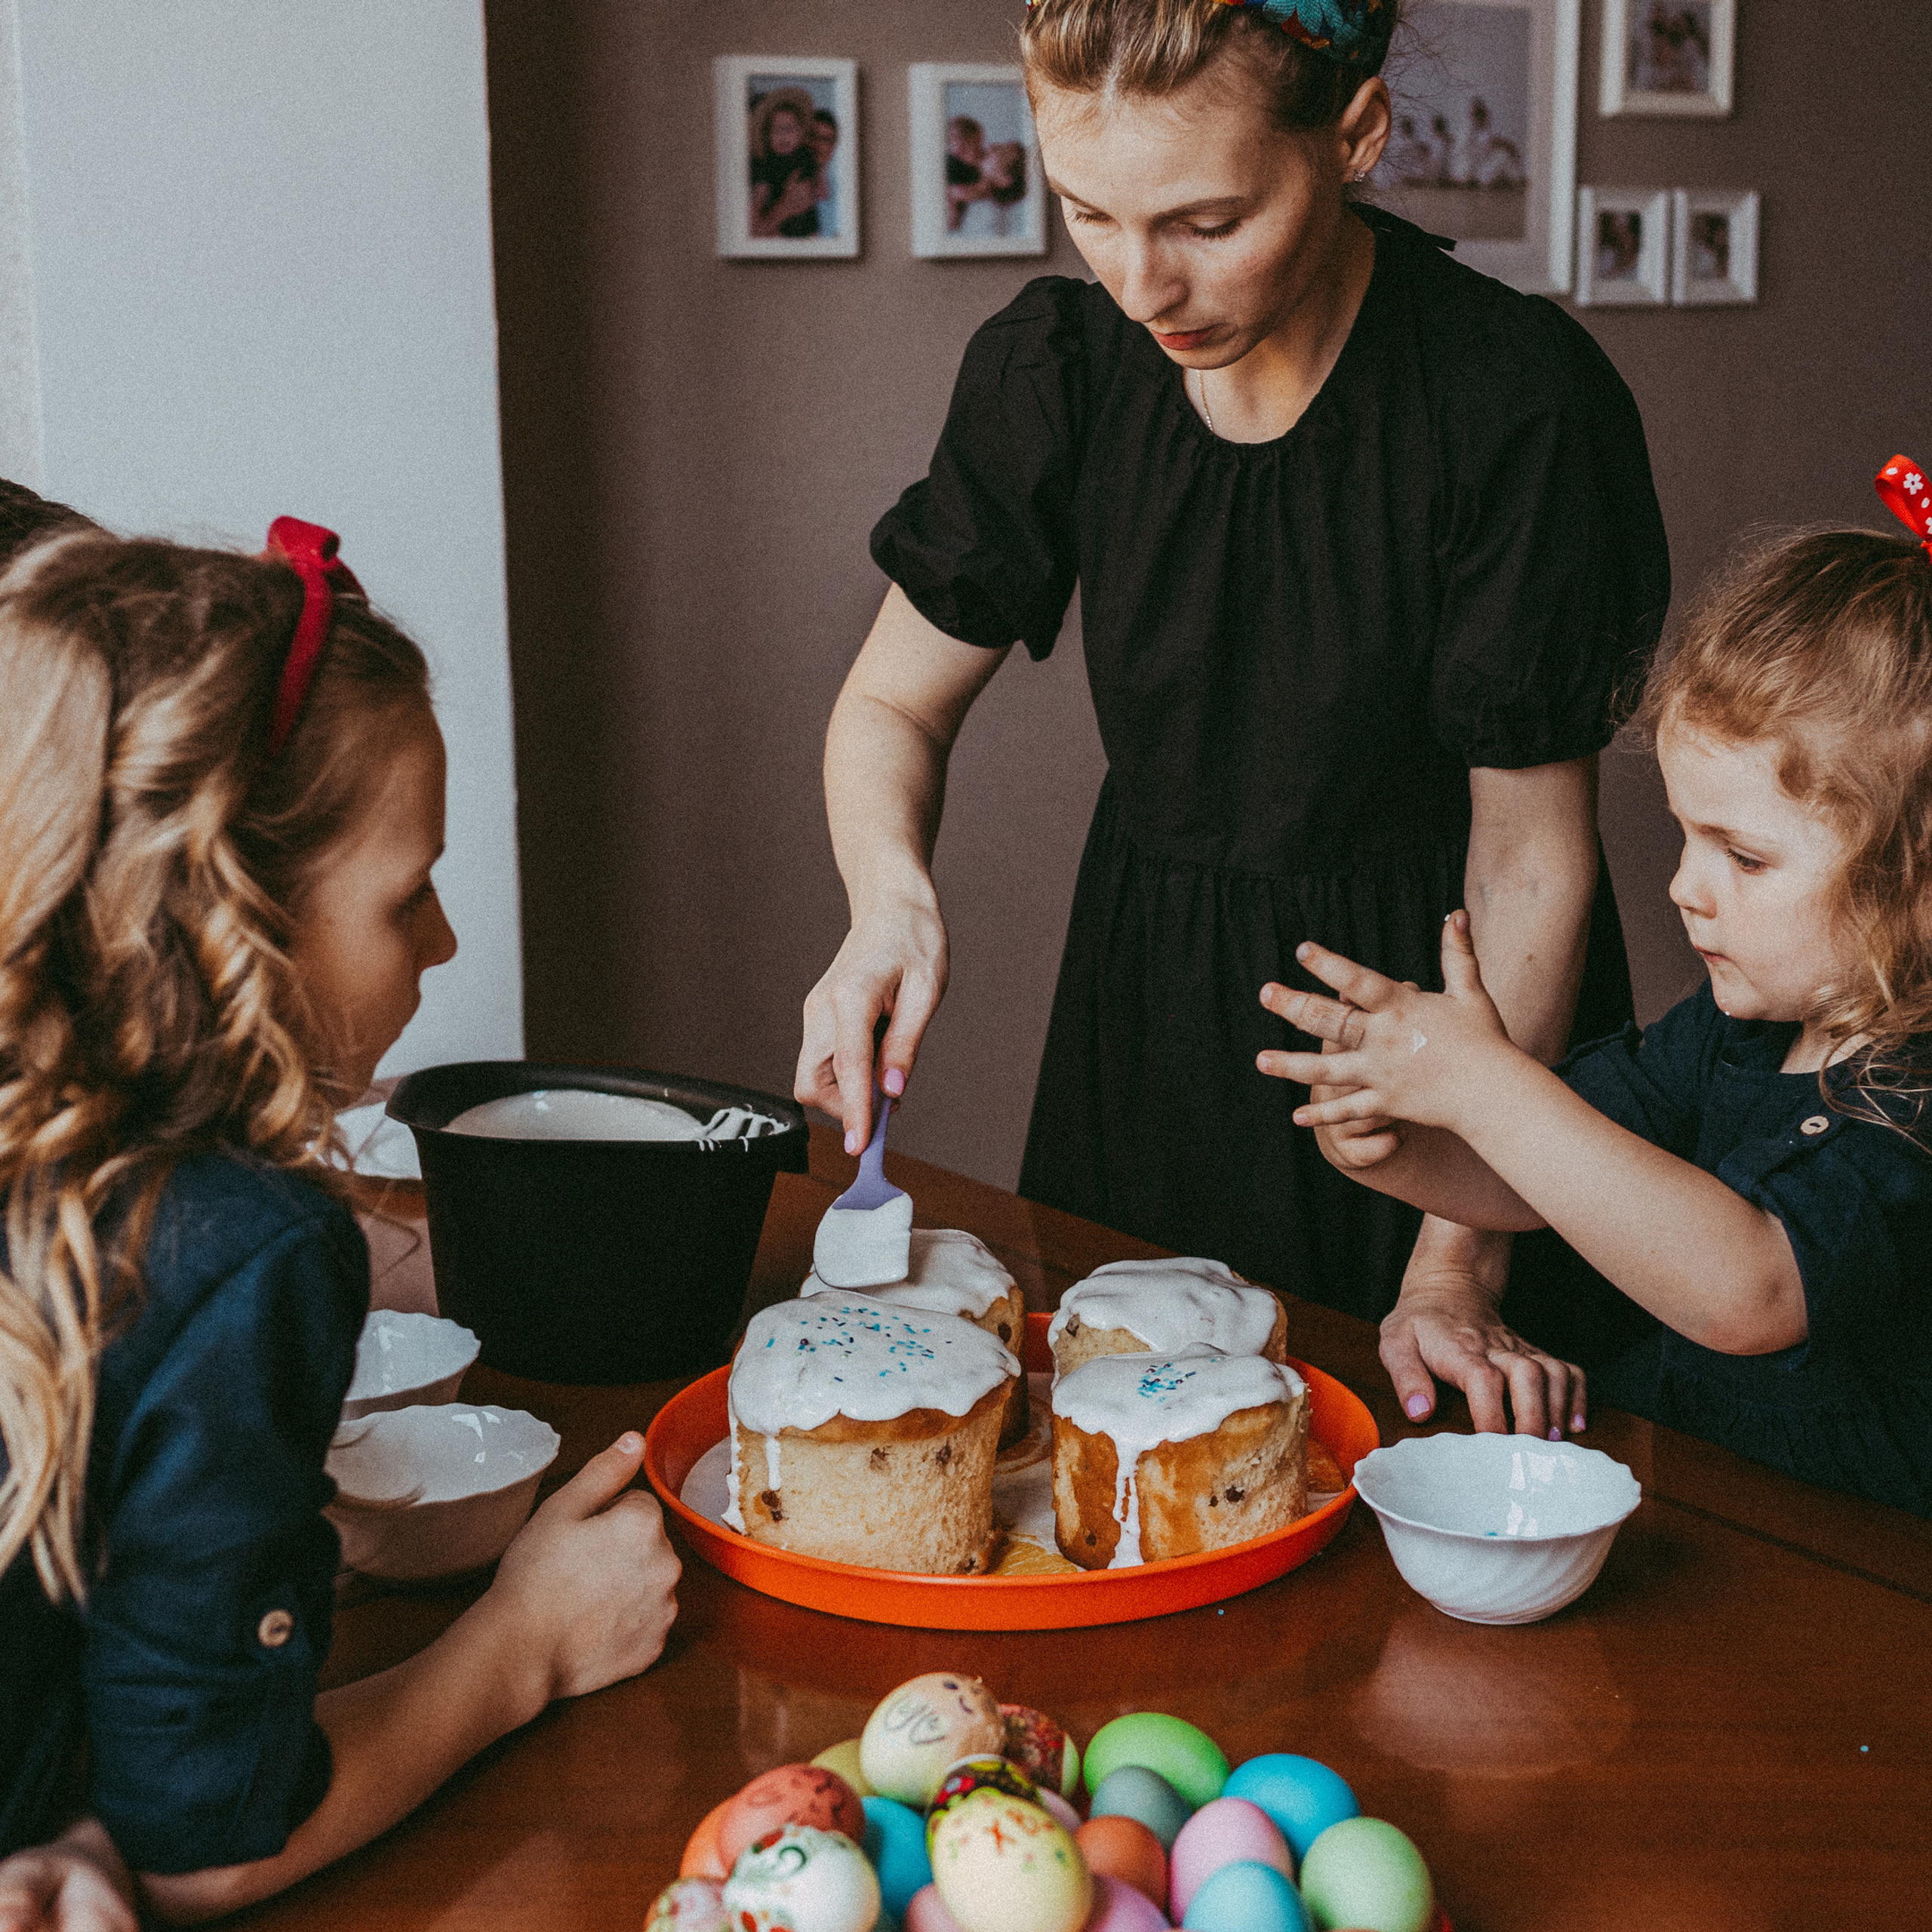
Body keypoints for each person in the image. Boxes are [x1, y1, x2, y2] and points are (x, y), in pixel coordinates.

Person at [797, 0, 1669, 1437]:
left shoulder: (1512, 401)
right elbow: (892, 699)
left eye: (1205, 222)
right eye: (1087, 210)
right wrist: (887, 905)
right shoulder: (1061, 369)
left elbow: (1530, 859)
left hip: (1435, 1037)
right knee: (1123, 1485)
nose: (1143, 284)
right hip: (1144, 1031)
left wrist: (1459, 1251)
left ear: (1356, 137)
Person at [0, 524, 680, 1921]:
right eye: (405, 894)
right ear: (231, 924)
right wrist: (526, 1645)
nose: (438, 947)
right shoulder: (238, 1255)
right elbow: (210, 1843)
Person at [1262, 485, 1932, 1512]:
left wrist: (1483, 1085)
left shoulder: (1912, 1101)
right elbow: (1537, 1179)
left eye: (1744, 858)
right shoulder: (1739, 1033)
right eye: (1685, 835)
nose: (1682, 888)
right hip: (1718, 1522)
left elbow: (1747, 1290)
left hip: (1876, 1597)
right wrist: (1401, 1140)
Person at [749, 90, 822, 240]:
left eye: (789, 129)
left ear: (801, 132)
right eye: (776, 131)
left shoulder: (806, 155)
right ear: (767, 135)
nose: (783, 137)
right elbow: (760, 195)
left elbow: (819, 187)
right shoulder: (765, 162)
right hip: (779, 226)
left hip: (807, 223)